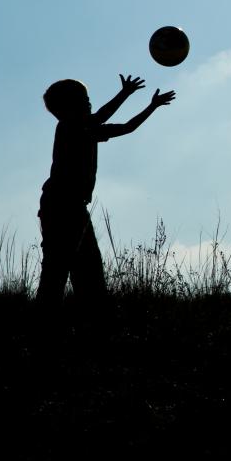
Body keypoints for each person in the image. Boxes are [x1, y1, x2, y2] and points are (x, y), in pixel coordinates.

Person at [38, 74, 175, 311]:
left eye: (87, 98)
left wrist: (152, 106)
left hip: (73, 206)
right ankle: (45, 321)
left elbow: (127, 127)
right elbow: (101, 117)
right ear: (67, 108)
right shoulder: (70, 127)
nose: (88, 103)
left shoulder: (87, 130)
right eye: (83, 100)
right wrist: (125, 94)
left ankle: (87, 319)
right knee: (59, 267)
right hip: (61, 205)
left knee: (84, 268)